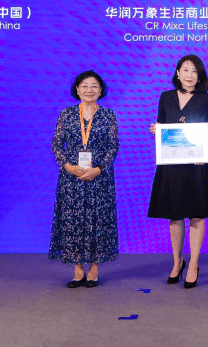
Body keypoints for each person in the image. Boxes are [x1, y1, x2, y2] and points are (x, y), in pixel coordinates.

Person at [148, 55, 208, 289]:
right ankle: (177, 262)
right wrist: (157, 130)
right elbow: (162, 126)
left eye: (194, 71)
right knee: (175, 214)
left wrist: (203, 149)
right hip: (172, 164)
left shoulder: (207, 99)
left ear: (200, 76)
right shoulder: (165, 97)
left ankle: (194, 264)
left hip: (197, 165)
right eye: (185, 70)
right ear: (177, 73)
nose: (190, 75)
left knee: (197, 215)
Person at [49, 70, 120, 288]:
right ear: (77, 90)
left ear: (101, 90)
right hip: (73, 178)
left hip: (99, 178)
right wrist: (67, 166)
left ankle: (94, 269)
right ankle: (78, 270)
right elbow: (56, 144)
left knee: (98, 221)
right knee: (73, 222)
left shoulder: (108, 115)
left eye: (94, 86)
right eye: (85, 86)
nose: (90, 90)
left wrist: (99, 169)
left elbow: (113, 147)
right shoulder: (66, 114)